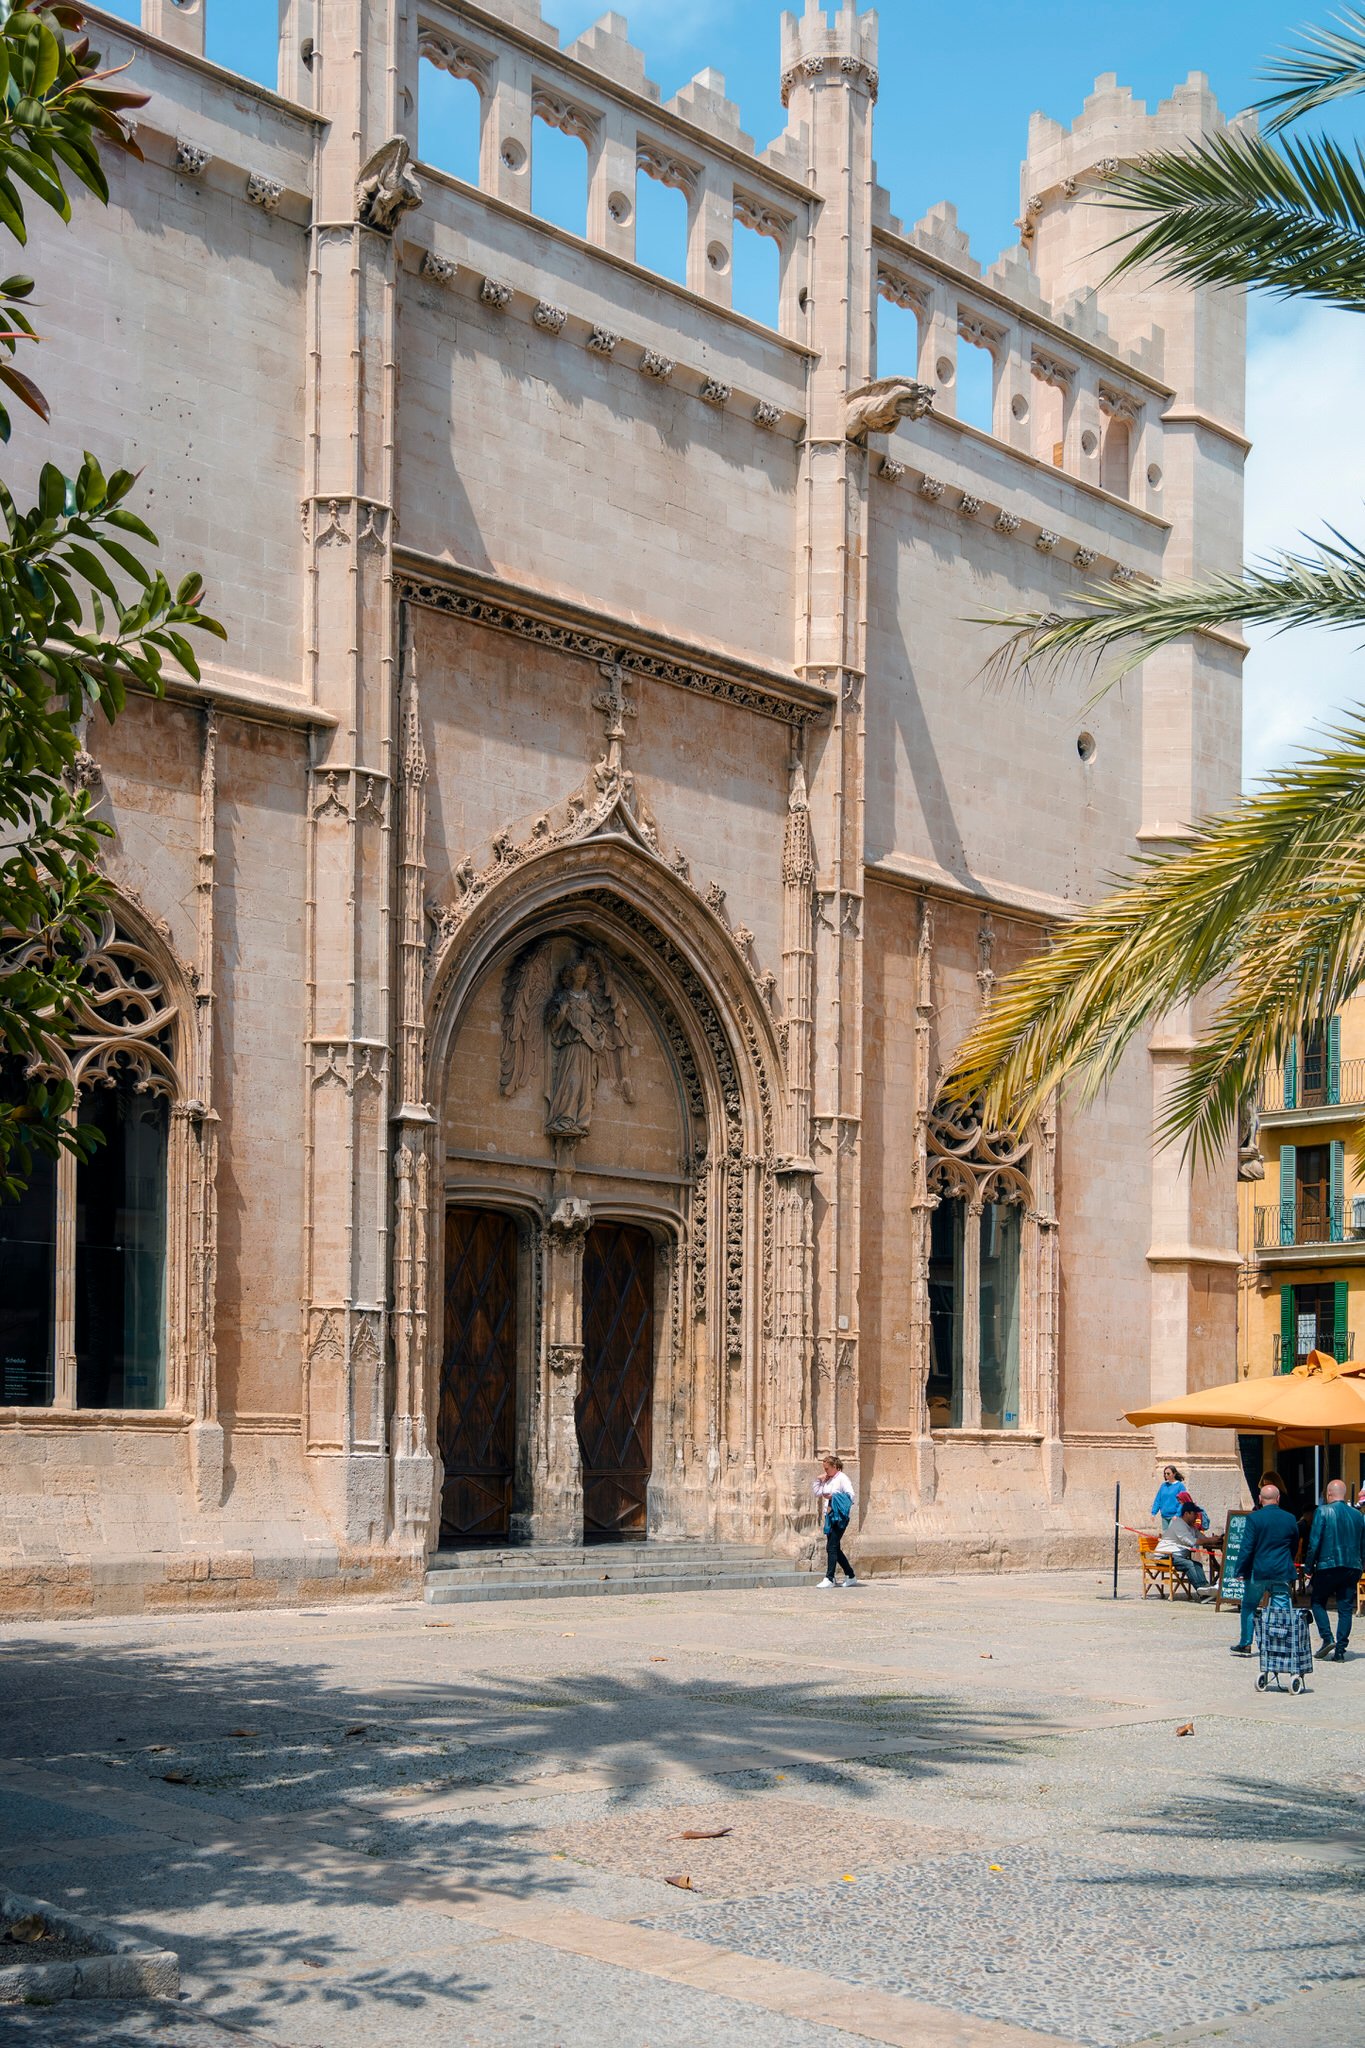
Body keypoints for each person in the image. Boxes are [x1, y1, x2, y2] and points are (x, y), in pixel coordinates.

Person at [1230, 1483, 1300, 1655]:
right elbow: (1294, 1543)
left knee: (1249, 1605)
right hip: (1281, 1569)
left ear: (1260, 1499)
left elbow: (1247, 1547)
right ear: (1278, 1499)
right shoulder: (1290, 1518)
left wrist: (1239, 1570)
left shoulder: (1254, 1518)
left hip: (1258, 1569)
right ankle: (1280, 1644)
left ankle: (1246, 1643)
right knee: (1281, 1609)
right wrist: (1287, 1559)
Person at [1306, 1478, 1365, 1662]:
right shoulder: (1358, 1515)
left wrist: (1308, 1567)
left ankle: (1327, 1637)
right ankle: (1340, 1650)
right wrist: (1361, 1564)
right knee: (1345, 1607)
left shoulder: (1322, 1511)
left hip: (1328, 1565)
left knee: (1317, 1601)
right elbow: (1363, 1544)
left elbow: (1314, 1543)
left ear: (1329, 1494)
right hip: (1352, 1566)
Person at [1155, 1500, 1215, 1598]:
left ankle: (1206, 1588)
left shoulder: (1191, 1527)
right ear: (1186, 1514)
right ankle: (1202, 1592)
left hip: (1176, 1557)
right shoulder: (1178, 1524)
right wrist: (1211, 1541)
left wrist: (1214, 1539)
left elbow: (1201, 1537)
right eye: (1194, 1514)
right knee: (1189, 1564)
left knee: (1197, 1564)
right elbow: (1191, 1541)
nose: (1196, 1516)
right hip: (1165, 1556)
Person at [813, 1454, 857, 1587]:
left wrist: (834, 1496)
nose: (825, 1471)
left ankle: (830, 1578)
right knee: (835, 1548)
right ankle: (850, 1575)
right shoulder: (828, 1479)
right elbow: (817, 1492)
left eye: (827, 1468)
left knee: (831, 1547)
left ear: (835, 1467)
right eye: (824, 1468)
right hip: (829, 1517)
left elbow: (851, 1496)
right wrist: (819, 1480)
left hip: (839, 1517)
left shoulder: (842, 1478)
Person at [1150, 1465, 1188, 1530]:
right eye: (1165, 1473)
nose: (1166, 1475)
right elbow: (1158, 1500)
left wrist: (1177, 1515)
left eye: (1168, 1473)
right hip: (1164, 1516)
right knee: (1166, 1537)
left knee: (1171, 1537)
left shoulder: (1180, 1486)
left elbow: (1183, 1502)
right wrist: (1153, 1513)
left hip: (1175, 1517)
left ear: (1174, 1474)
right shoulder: (1163, 1486)